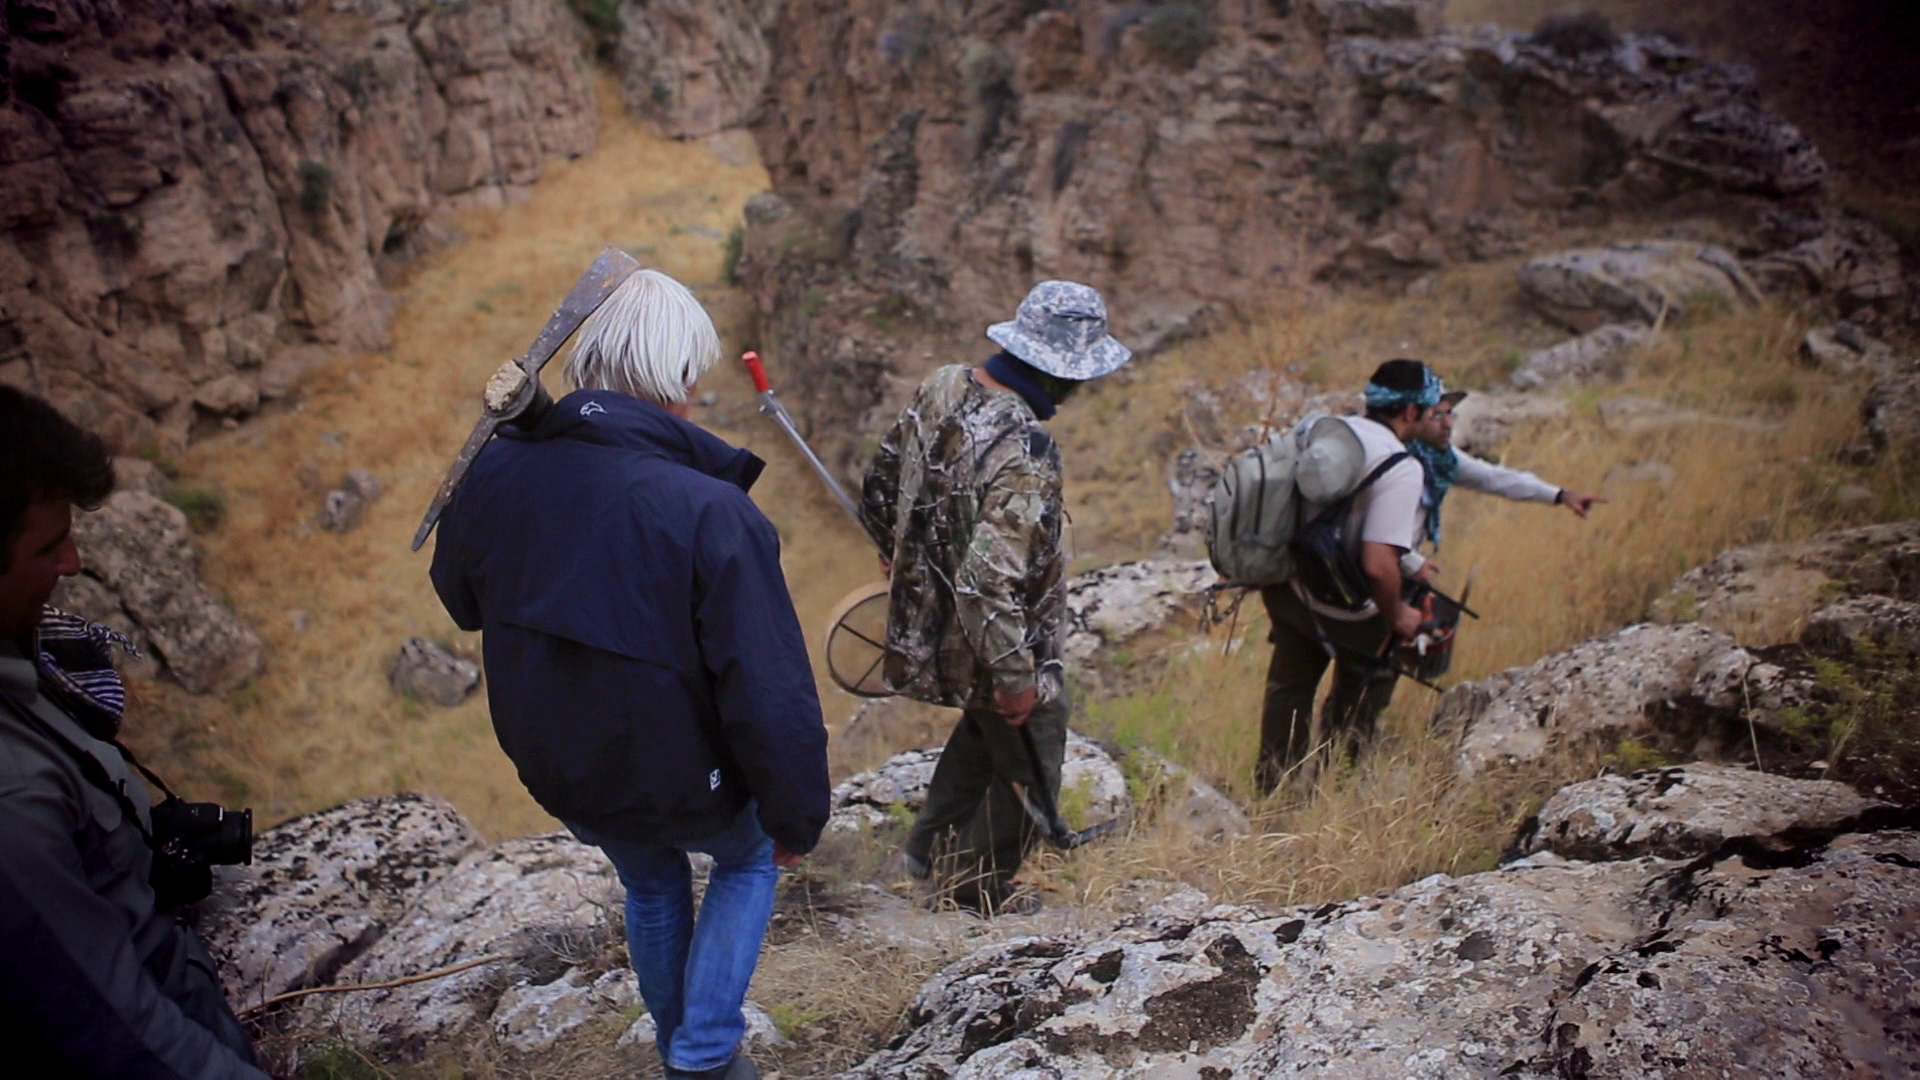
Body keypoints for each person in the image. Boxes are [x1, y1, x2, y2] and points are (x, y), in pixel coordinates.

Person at [429, 269, 830, 1080]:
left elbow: (460, 601)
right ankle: (707, 1054)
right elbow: (768, 688)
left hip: (567, 763)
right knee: (747, 859)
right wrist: (797, 816)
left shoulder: (493, 472)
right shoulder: (709, 511)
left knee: (651, 883)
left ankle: (678, 1043)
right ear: (679, 379)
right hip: (687, 774)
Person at [0, 386, 268, 1078]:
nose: (74, 564)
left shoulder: (20, 658)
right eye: (49, 547)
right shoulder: (12, 807)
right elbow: (124, 1035)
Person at [859, 280, 1132, 916]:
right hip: (995, 628)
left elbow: (881, 477)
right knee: (1033, 724)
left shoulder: (944, 385)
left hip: (931, 620)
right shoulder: (1027, 449)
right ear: (1059, 371)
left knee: (986, 723)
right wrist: (1016, 673)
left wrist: (894, 547)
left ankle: (923, 852)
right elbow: (986, 582)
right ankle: (974, 889)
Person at [1255, 359, 1434, 795]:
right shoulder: (1400, 467)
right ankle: (1339, 784)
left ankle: (1274, 793)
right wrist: (1397, 615)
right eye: (1430, 409)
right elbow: (1377, 563)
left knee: (1290, 686)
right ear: (1411, 412)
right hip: (1343, 604)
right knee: (1370, 676)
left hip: (1289, 588)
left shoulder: (1325, 433)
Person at [1401, 388, 1600, 585]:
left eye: (1450, 414)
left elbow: (1495, 479)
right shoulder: (1394, 461)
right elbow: (1377, 535)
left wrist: (1561, 495)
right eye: (1436, 415)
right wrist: (1413, 564)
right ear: (1412, 416)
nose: (1448, 424)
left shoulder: (1440, 459)